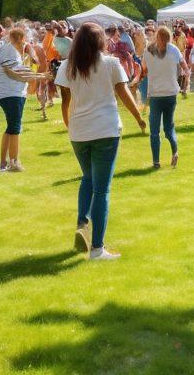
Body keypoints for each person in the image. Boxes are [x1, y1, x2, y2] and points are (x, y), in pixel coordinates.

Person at [56, 22, 146, 260]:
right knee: (101, 189)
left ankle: (82, 223)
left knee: (88, 178)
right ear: (100, 42)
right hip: (105, 130)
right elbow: (124, 93)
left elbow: (65, 101)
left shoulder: (67, 66)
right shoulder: (110, 63)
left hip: (79, 131)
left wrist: (69, 125)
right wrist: (138, 116)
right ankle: (97, 249)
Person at [0, 26, 34, 172]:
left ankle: (4, 163)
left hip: (11, 92)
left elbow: (17, 70)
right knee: (15, 128)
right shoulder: (9, 50)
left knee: (11, 128)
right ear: (22, 39)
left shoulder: (9, 50)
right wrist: (37, 75)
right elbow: (13, 72)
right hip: (10, 93)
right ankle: (13, 163)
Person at [141, 25, 185, 168]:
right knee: (169, 127)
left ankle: (156, 162)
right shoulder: (174, 50)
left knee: (154, 131)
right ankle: (175, 151)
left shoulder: (148, 51)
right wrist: (183, 83)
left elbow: (144, 69)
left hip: (155, 95)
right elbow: (185, 68)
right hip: (171, 93)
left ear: (156, 36)